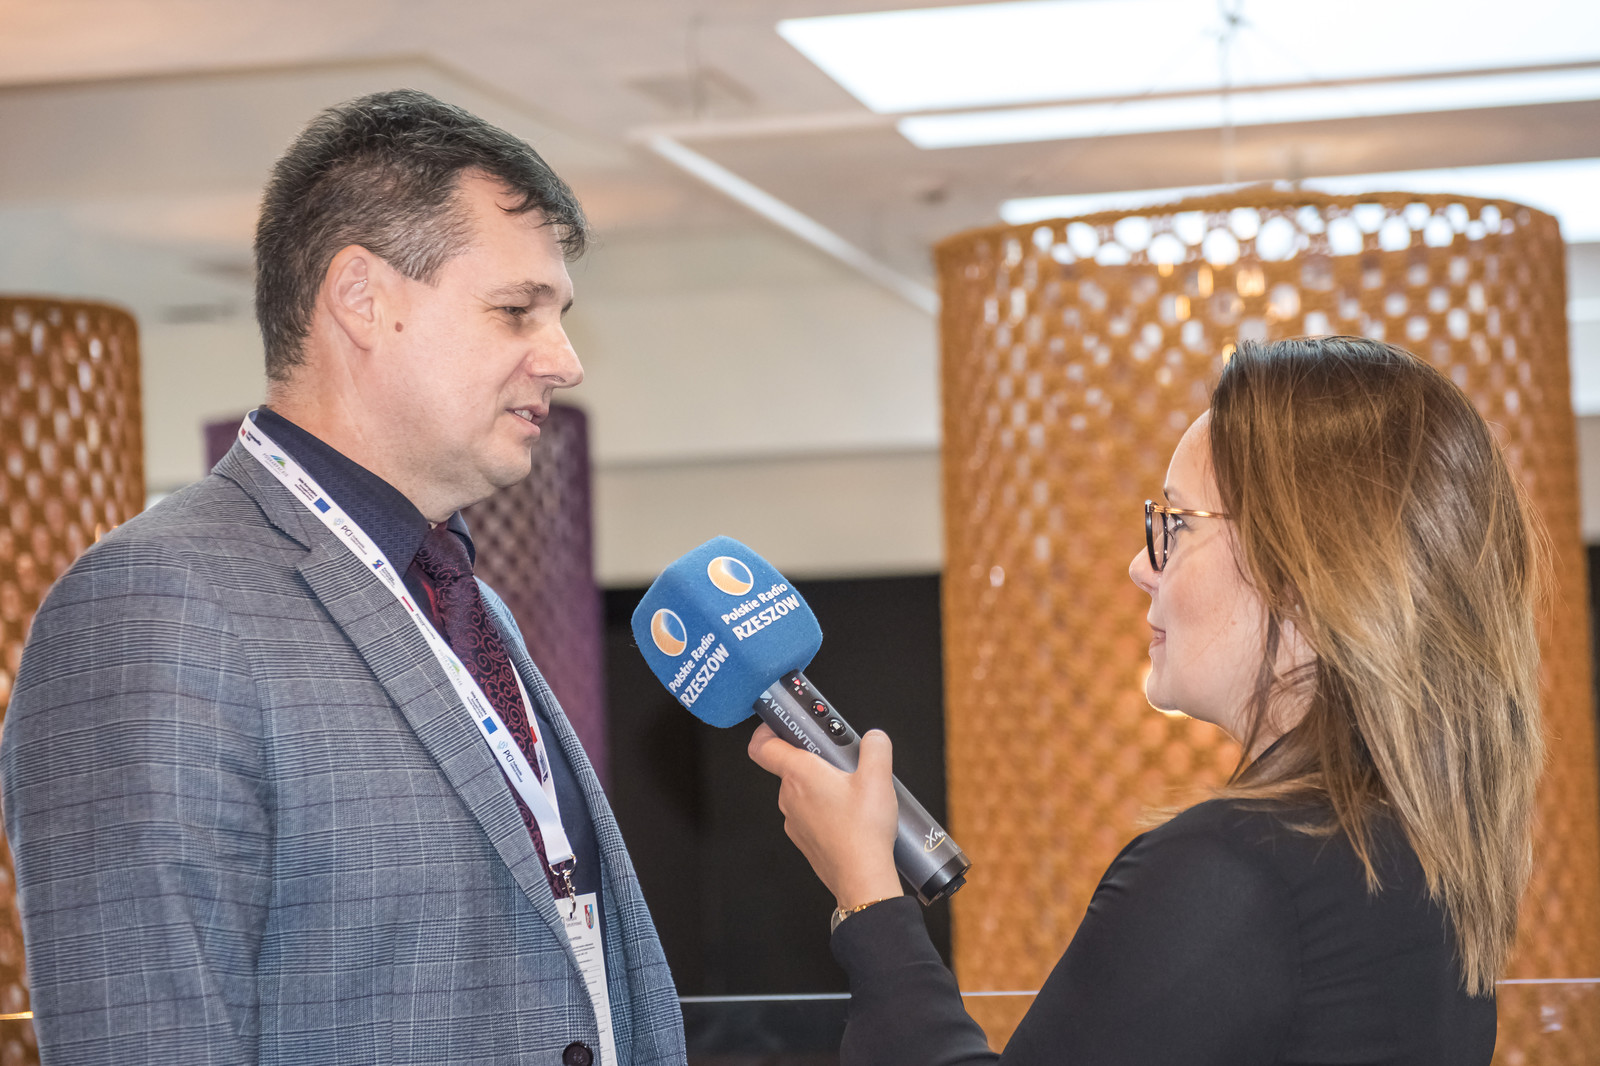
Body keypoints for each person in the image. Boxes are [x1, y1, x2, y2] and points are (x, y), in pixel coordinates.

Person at [3, 89, 685, 1066]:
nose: (564, 360)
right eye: (515, 311)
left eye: (558, 316)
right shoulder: (153, 605)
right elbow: (147, 1034)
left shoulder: (465, 602)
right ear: (361, 299)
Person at [750, 336, 1544, 1065]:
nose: (1141, 565)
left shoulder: (1232, 871)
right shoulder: (1418, 852)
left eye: (1176, 524)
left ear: (1303, 573)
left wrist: (867, 898)